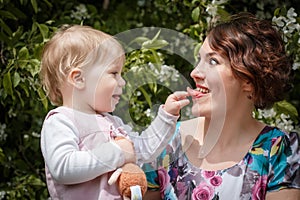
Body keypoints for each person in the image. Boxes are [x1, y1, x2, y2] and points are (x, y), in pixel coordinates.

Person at [143, 12, 300, 200]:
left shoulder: (279, 151)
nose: (195, 72)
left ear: (248, 80)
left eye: (213, 61)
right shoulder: (164, 143)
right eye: (199, 60)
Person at [39, 24, 190, 199]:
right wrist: (117, 151)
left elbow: (143, 149)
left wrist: (167, 116)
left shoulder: (113, 123)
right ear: (78, 79)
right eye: (113, 73)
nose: (123, 82)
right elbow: (63, 167)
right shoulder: (60, 121)